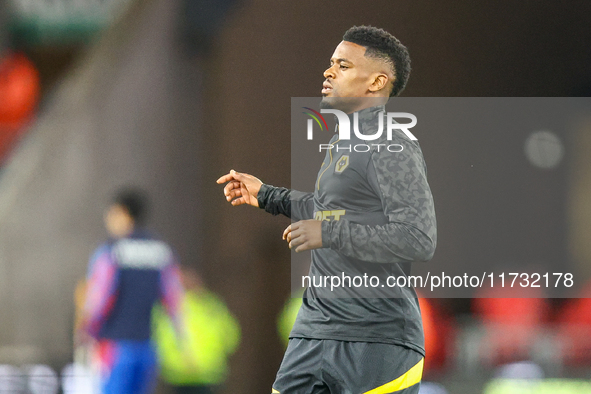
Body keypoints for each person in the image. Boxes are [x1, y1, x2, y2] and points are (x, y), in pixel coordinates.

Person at [217, 25, 436, 394]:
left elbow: (418, 237)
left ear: (377, 82)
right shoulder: (343, 141)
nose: (328, 72)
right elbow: (328, 210)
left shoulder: (393, 143)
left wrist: (328, 233)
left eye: (343, 65)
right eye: (331, 63)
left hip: (376, 341)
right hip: (314, 332)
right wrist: (267, 195)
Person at [81, 188, 183, 394]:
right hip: (147, 345)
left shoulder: (111, 250)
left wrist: (87, 330)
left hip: (115, 346)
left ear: (123, 213)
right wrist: (180, 336)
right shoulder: (161, 250)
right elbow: (173, 298)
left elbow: (100, 297)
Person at [152, 266, 241, 394]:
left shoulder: (169, 307)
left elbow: (158, 337)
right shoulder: (212, 305)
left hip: (181, 373)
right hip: (204, 372)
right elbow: (231, 336)